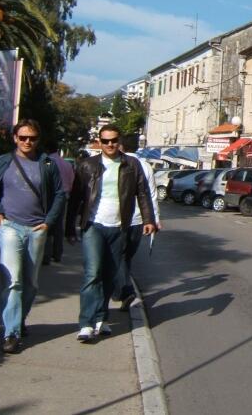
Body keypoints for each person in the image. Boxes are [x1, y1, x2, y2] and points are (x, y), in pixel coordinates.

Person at [0, 119, 67, 354]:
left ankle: (19, 319)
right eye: (23, 137)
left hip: (37, 229)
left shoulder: (47, 163)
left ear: (38, 139)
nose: (27, 141)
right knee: (13, 280)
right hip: (9, 226)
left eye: (32, 138)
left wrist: (48, 222)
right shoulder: (3, 162)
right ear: (15, 138)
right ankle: (12, 333)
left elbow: (60, 194)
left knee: (31, 282)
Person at [65, 124, 155, 343]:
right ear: (99, 142)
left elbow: (142, 192)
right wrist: (69, 228)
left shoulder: (131, 164)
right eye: (105, 141)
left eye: (114, 140)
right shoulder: (87, 165)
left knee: (109, 275)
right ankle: (86, 323)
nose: (110, 144)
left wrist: (148, 219)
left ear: (119, 140)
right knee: (92, 273)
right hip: (93, 225)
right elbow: (75, 198)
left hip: (119, 226)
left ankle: (101, 318)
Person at [116, 149, 161, 309]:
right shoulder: (146, 166)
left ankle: (125, 292)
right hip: (139, 220)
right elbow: (152, 195)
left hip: (120, 218)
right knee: (126, 257)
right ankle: (123, 292)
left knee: (118, 256)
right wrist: (154, 219)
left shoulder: (118, 163)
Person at [43, 139, 74, 265]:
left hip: (50, 196)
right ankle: (57, 253)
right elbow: (71, 181)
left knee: (47, 223)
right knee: (59, 225)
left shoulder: (47, 162)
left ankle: (46, 254)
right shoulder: (66, 164)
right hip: (64, 196)